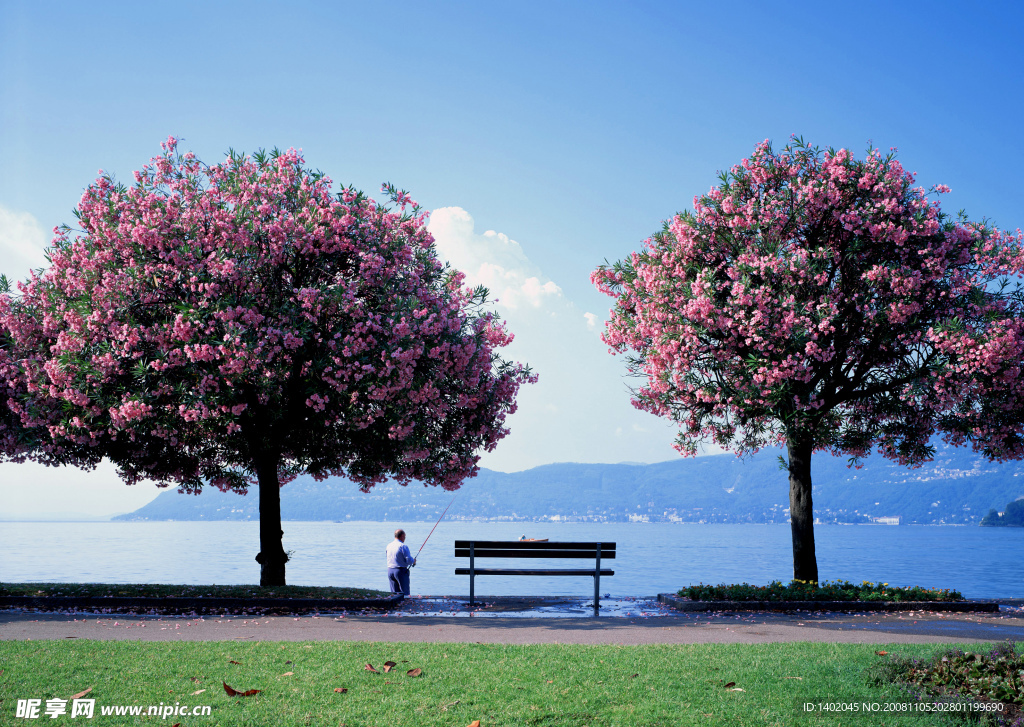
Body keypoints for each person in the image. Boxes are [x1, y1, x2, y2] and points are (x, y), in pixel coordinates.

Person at [386, 528, 416, 596]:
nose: (405, 538)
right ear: (402, 536)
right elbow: (409, 560)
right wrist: (413, 561)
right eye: (405, 537)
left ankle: (395, 606)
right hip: (400, 571)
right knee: (405, 594)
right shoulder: (403, 546)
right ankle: (405, 606)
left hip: (390, 570)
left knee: (394, 594)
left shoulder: (389, 545)